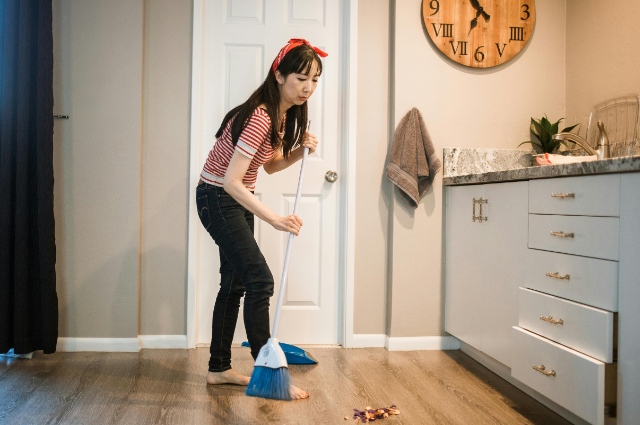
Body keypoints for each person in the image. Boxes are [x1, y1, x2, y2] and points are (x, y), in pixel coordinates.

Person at [195, 39, 327, 400]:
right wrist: (275, 220)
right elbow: (230, 182)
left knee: (235, 284)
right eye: (301, 78)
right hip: (218, 197)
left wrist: (299, 152)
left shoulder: (282, 114)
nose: (308, 88)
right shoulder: (260, 116)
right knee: (260, 280)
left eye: (315, 80)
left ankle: (218, 369)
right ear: (279, 74)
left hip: (234, 199)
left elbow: (268, 166)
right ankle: (267, 370)